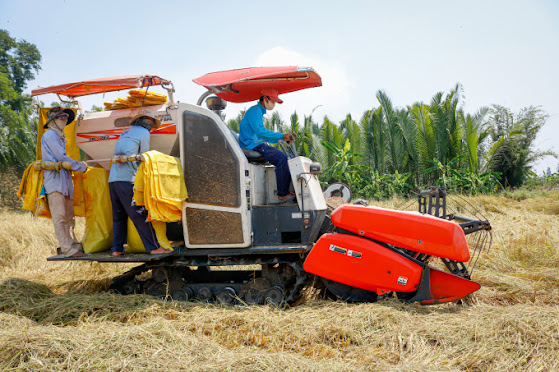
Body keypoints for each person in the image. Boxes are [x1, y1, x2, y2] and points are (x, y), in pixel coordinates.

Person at [108, 109, 171, 257]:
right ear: (145, 122)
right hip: (127, 179)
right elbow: (144, 157)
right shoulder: (144, 133)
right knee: (139, 213)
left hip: (113, 179)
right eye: (149, 122)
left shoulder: (126, 132)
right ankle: (154, 247)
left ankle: (117, 249)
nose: (150, 125)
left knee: (119, 216)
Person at [41, 107, 88, 258]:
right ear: (53, 120)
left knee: (69, 215)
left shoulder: (59, 136)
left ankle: (73, 245)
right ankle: (68, 249)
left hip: (64, 180)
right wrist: (81, 166)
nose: (65, 120)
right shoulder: (50, 135)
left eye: (66, 118)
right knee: (60, 216)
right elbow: (61, 157)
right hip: (55, 181)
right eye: (61, 117)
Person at [239, 88, 297, 201]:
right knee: (281, 158)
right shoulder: (254, 111)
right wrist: (281, 136)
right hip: (250, 145)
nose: (274, 104)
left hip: (256, 143)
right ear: (265, 98)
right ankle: (282, 193)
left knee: (289, 158)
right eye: (273, 101)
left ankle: (288, 189)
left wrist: (283, 139)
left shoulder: (258, 112)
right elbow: (261, 132)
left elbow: (261, 135)